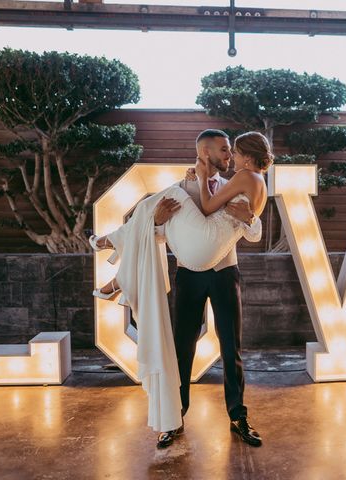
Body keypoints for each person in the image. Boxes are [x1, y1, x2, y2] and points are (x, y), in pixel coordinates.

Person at [91, 130, 272, 449]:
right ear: (205, 153)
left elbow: (251, 229)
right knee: (182, 348)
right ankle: (175, 418)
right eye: (223, 151)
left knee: (232, 348)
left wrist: (251, 220)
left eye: (231, 151)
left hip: (224, 273)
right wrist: (157, 222)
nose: (228, 157)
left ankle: (238, 417)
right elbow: (168, 236)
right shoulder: (185, 186)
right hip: (189, 275)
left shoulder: (237, 183)